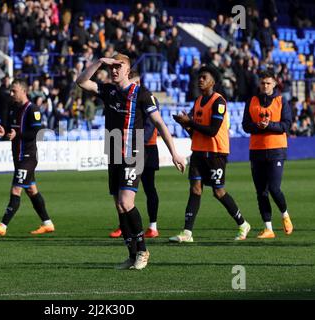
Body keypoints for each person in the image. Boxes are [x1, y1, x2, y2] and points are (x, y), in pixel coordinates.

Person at [77, 54, 186, 270]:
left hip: (133, 152)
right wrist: (99, 62)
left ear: (128, 70)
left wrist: (174, 152)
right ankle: (132, 254)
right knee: (119, 206)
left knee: (127, 203)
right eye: (113, 66)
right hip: (113, 151)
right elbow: (81, 82)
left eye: (119, 66)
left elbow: (160, 124)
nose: (115, 70)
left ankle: (143, 251)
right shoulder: (108, 90)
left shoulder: (142, 94)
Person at [171, 65, 251, 243]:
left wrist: (190, 122)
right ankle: (187, 233)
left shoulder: (219, 102)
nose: (200, 80)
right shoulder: (198, 101)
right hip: (198, 152)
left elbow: (213, 131)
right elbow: (195, 133)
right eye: (199, 77)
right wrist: (186, 125)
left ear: (213, 81)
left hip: (216, 153)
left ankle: (243, 223)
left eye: (204, 77)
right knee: (195, 189)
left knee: (218, 192)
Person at [0, 79, 55, 236]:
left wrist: (19, 134)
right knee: (31, 190)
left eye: (14, 91)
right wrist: (4, 132)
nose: (11, 94)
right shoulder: (14, 108)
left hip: (28, 157)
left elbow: (38, 132)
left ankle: (3, 225)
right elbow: (14, 132)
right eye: (10, 91)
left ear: (24, 91)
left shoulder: (33, 109)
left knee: (16, 189)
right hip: (18, 157)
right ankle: (47, 223)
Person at [242, 70, 293, 238]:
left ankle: (285, 215)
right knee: (261, 192)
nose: (265, 86)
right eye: (263, 83)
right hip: (256, 151)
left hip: (277, 150)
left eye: (268, 83)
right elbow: (245, 125)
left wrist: (268, 125)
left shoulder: (281, 101)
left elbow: (286, 125)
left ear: (275, 84)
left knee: (273, 188)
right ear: (259, 84)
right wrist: (259, 126)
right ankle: (268, 228)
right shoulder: (252, 101)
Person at [110, 70, 161, 239]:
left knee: (149, 187)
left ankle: (153, 226)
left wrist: (135, 141)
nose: (136, 85)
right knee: (122, 193)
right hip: (126, 148)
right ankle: (123, 225)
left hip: (147, 148)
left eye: (138, 82)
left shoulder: (147, 97)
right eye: (134, 82)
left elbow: (151, 125)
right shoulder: (122, 98)